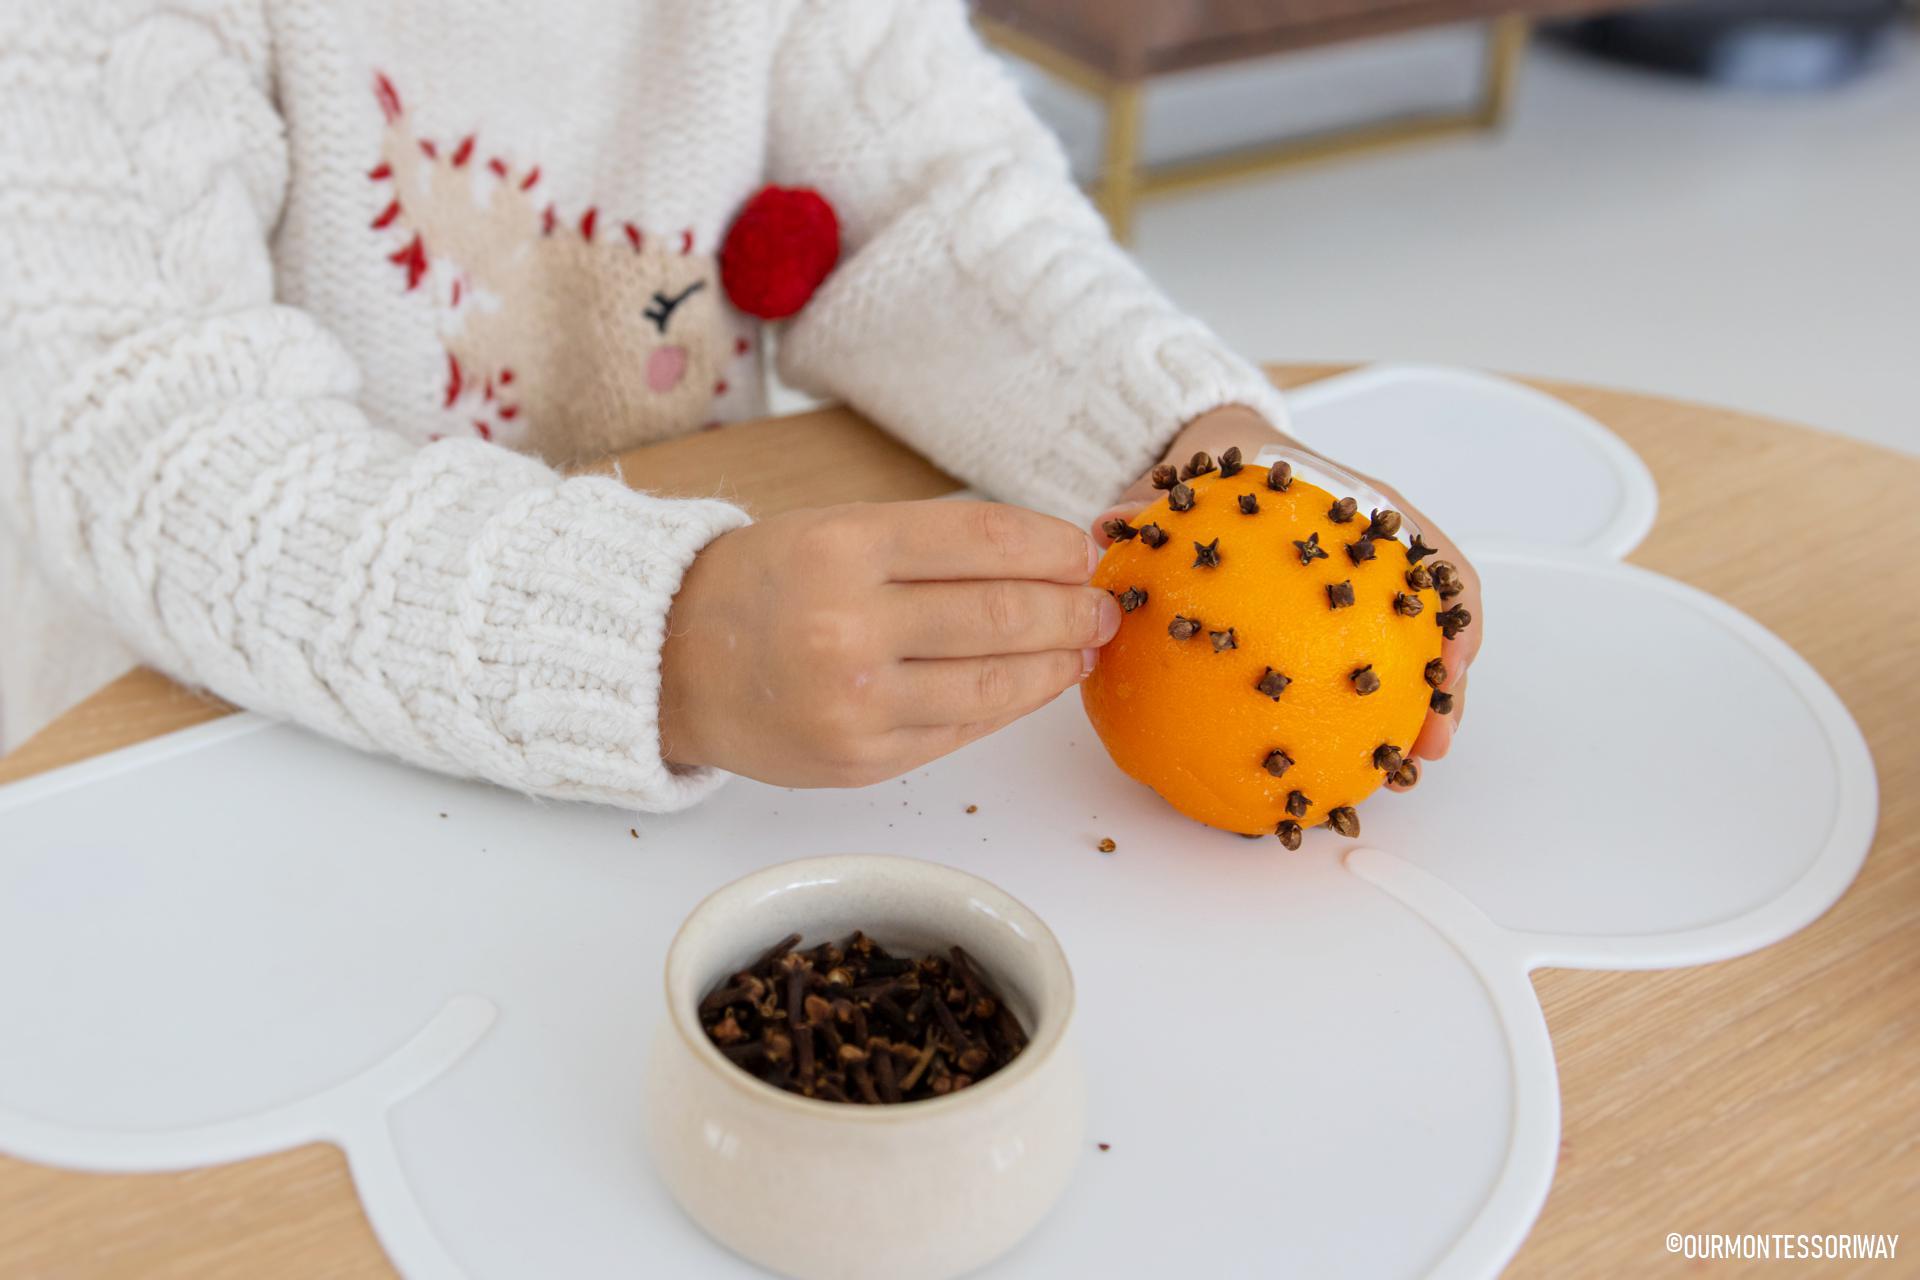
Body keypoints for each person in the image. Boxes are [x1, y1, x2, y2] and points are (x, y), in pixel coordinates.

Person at [0, 0, 1478, 810]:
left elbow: (941, 207)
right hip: (185, 746)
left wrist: (1191, 458)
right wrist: (662, 641)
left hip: (670, 769)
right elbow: (156, 444)